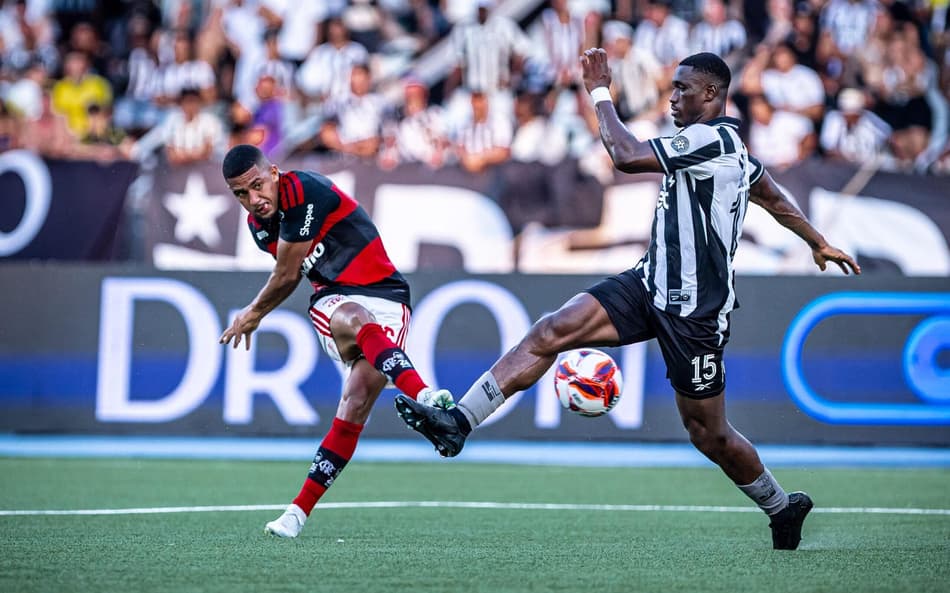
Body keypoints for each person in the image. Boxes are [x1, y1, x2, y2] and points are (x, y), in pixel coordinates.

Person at [394, 50, 862, 551]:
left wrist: (599, 90)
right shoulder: (727, 147)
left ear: (711, 94)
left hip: (695, 312)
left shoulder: (711, 138)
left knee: (709, 434)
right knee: (551, 330)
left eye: (683, 88)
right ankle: (460, 421)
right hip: (649, 281)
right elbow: (768, 191)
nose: (673, 96)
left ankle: (780, 506)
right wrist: (815, 240)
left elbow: (624, 155)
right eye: (673, 87)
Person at [219, 144, 452, 538]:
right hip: (333, 299)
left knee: (355, 402)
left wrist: (253, 311)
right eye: (241, 194)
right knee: (354, 317)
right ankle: (426, 395)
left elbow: (286, 273)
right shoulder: (260, 229)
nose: (253, 200)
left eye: (257, 186)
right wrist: (256, 311)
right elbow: (293, 275)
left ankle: (296, 513)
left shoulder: (305, 191)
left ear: (273, 172)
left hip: (389, 295)